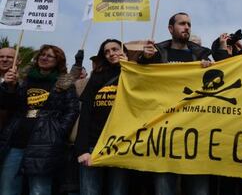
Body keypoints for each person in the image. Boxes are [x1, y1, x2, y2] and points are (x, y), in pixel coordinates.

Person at [139, 12, 211, 195]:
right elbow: (140, 79)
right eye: (182, 24)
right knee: (164, 187)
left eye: (188, 24)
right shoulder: (157, 53)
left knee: (198, 188)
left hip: (194, 131)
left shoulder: (200, 56)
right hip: (164, 131)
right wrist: (145, 59)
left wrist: (209, 70)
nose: (186, 27)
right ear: (171, 29)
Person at [0, 44, 79, 195]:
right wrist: (9, 87)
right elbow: (8, 105)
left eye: (50, 56)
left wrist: (58, 131)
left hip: (45, 145)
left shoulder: (64, 83)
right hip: (16, 141)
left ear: (58, 61)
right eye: (42, 54)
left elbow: (72, 110)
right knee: (7, 187)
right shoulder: (23, 79)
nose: (44, 58)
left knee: (39, 190)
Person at [75, 39, 130, 195]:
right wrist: (82, 149)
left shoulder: (134, 72)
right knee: (89, 191)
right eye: (107, 51)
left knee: (118, 191)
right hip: (94, 144)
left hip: (121, 144)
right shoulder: (97, 77)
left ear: (124, 51)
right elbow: (85, 114)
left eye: (115, 49)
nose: (111, 53)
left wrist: (130, 69)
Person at [0, 47, 17, 131]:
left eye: (9, 57)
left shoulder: (25, 82)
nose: (4, 59)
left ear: (18, 61)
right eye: (1, 57)